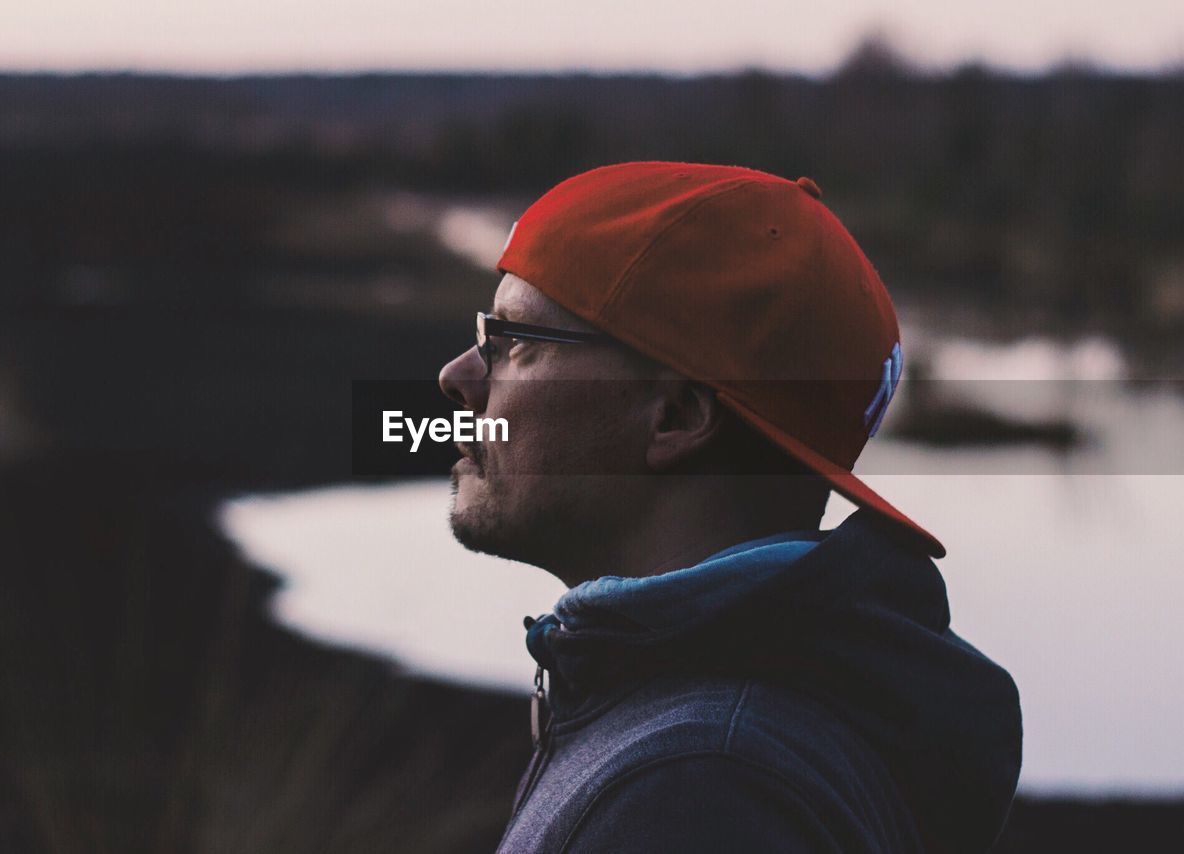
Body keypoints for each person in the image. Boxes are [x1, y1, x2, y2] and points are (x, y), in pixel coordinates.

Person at [437, 162, 1022, 853]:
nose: (460, 378)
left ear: (677, 415)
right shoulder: (729, 728)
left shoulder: (694, 792)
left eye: (514, 342)